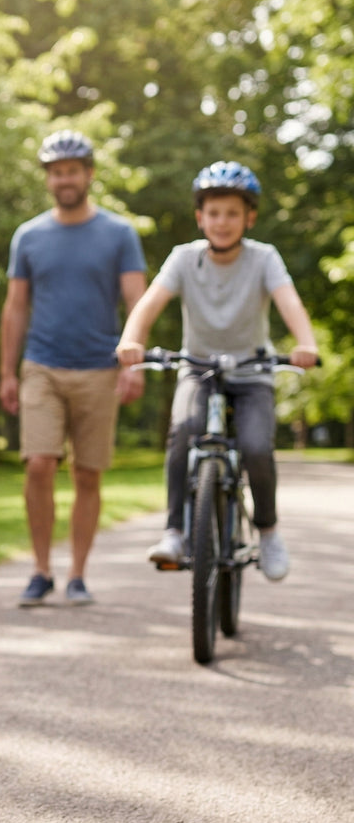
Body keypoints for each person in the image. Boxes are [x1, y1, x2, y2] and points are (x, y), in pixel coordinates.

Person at [116, 161, 318, 581]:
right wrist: (131, 340)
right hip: (199, 368)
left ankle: (269, 531)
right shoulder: (183, 258)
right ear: (199, 217)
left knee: (257, 447)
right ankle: (175, 531)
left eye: (232, 213)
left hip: (252, 371)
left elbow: (290, 303)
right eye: (214, 213)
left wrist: (306, 344)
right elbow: (149, 304)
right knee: (184, 429)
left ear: (249, 217)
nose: (222, 222)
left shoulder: (264, 258)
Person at [0, 130, 147, 607]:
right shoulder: (30, 235)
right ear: (49, 178)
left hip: (101, 369)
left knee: (88, 474)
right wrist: (6, 371)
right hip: (42, 365)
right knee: (39, 464)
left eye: (73, 170)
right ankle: (42, 570)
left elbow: (137, 302)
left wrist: (135, 361)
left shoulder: (119, 233)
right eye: (57, 171)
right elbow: (16, 307)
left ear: (89, 174)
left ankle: (78, 574)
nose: (65, 178)